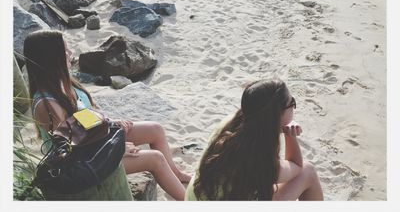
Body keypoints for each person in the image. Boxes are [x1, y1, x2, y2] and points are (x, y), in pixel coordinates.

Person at [23, 30, 191, 200]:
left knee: (155, 129)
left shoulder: (64, 83)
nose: (71, 52)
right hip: (85, 161)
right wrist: (119, 150)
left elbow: (83, 119)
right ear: (51, 58)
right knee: (156, 159)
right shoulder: (47, 104)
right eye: (65, 50)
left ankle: (177, 174)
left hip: (95, 140)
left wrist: (112, 123)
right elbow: (70, 147)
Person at [185, 79, 323, 200]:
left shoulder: (231, 124)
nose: (294, 107)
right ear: (275, 115)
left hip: (195, 198)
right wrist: (290, 134)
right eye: (291, 102)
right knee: (308, 172)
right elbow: (297, 167)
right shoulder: (259, 160)